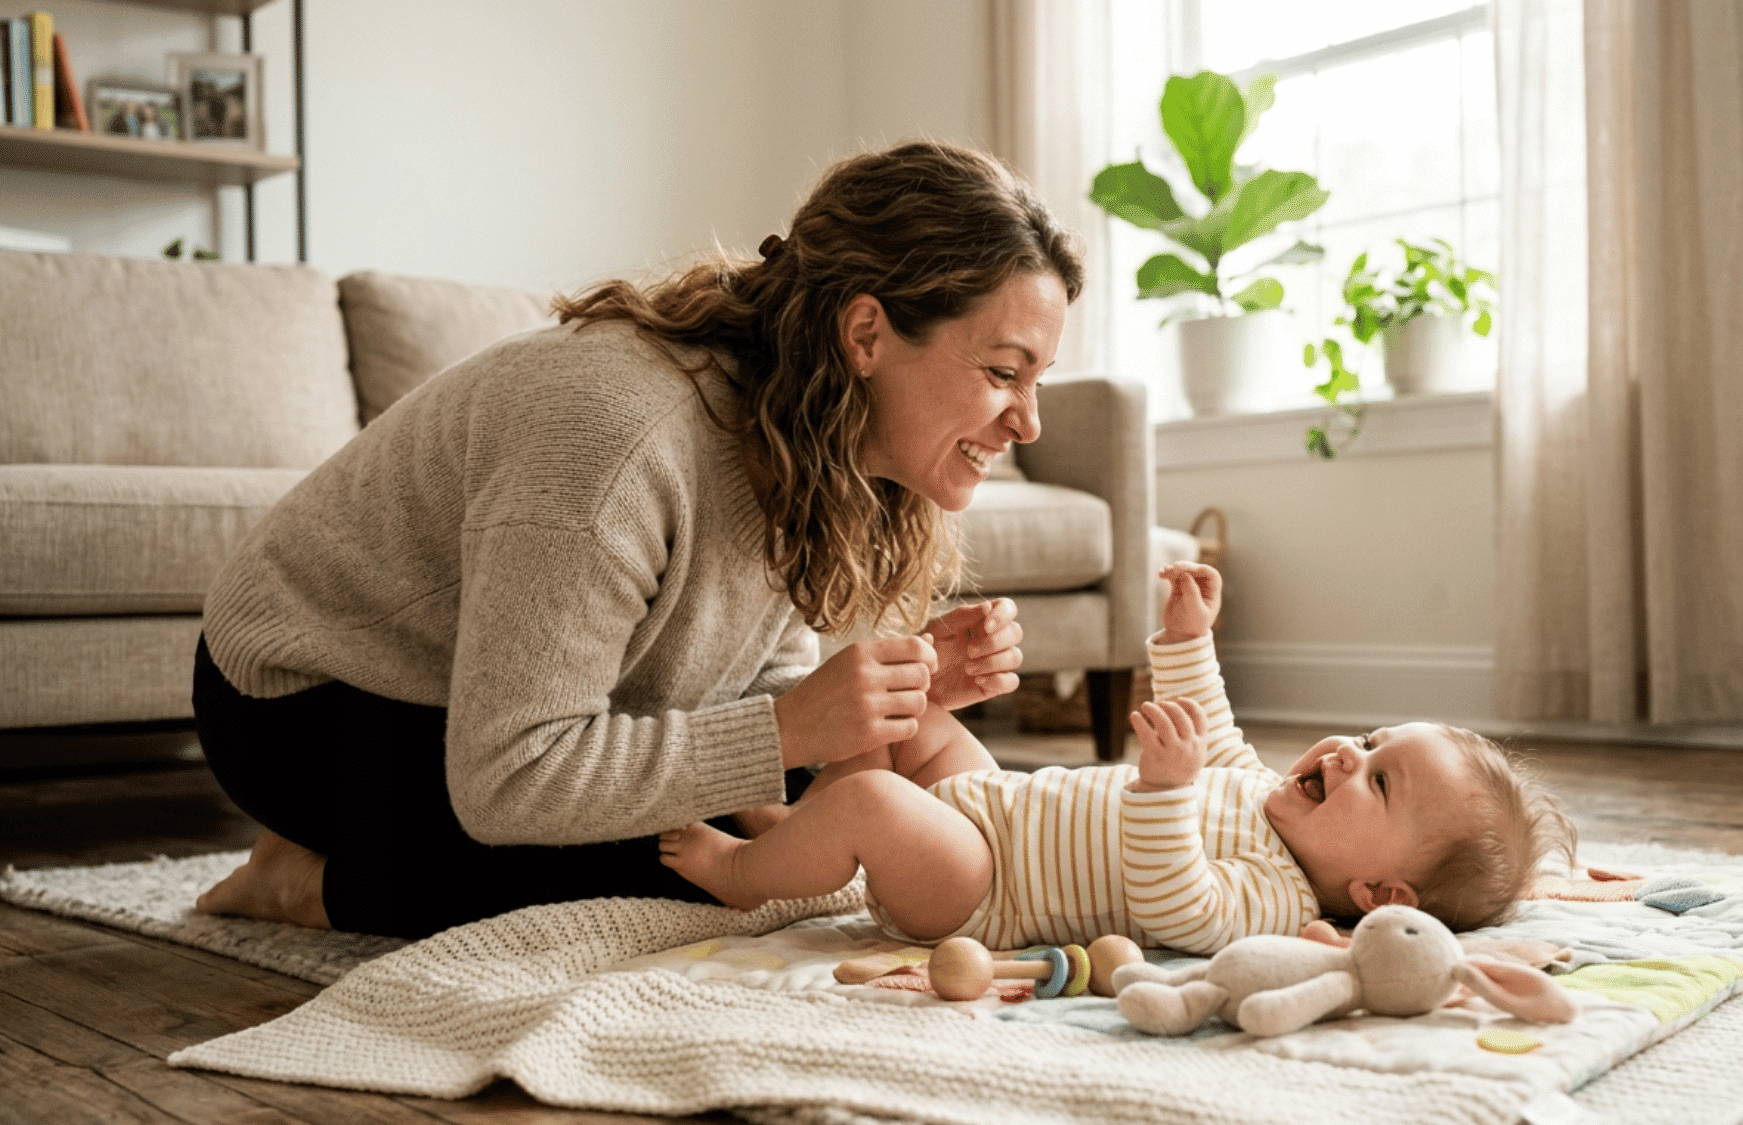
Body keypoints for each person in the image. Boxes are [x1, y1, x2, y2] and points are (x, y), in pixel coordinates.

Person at [191, 140, 1083, 939]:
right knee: (671, 872)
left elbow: (748, 667)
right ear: (866, 333)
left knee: (779, 840)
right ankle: (300, 878)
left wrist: (872, 706)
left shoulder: (805, 430)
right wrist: (782, 736)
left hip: (488, 701)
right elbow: (510, 774)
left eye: (1036, 379)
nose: (1029, 422)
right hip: (302, 696)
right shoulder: (619, 437)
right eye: (1004, 373)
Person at [660, 562, 1578, 952]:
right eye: (1373, 738)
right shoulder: (1264, 792)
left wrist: (1165, 793)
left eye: (1379, 778)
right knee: (910, 718)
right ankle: (798, 828)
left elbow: (1175, 905)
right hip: (994, 801)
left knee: (876, 809)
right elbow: (1206, 723)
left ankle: (752, 870)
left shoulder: (1277, 901)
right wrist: (1187, 640)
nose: (1349, 749)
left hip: (984, 889)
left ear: (1380, 895)